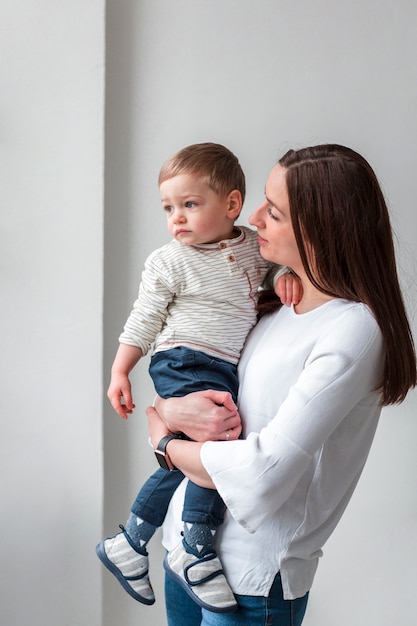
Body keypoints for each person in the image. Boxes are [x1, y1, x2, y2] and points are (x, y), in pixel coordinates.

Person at [145, 144, 417, 626]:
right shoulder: (270, 300)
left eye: (273, 211)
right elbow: (195, 378)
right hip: (184, 555)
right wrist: (168, 410)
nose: (252, 217)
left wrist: (165, 443)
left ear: (319, 227)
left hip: (252, 580)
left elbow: (262, 474)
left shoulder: (353, 330)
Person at [96, 143, 300, 613]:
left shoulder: (251, 245)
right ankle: (196, 547)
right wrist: (119, 370)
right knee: (217, 448)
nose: (177, 218)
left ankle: (131, 540)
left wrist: (287, 276)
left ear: (230, 205)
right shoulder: (168, 262)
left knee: (193, 454)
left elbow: (278, 271)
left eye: (190, 204)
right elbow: (142, 320)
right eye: (168, 208)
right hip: (182, 359)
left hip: (219, 365)